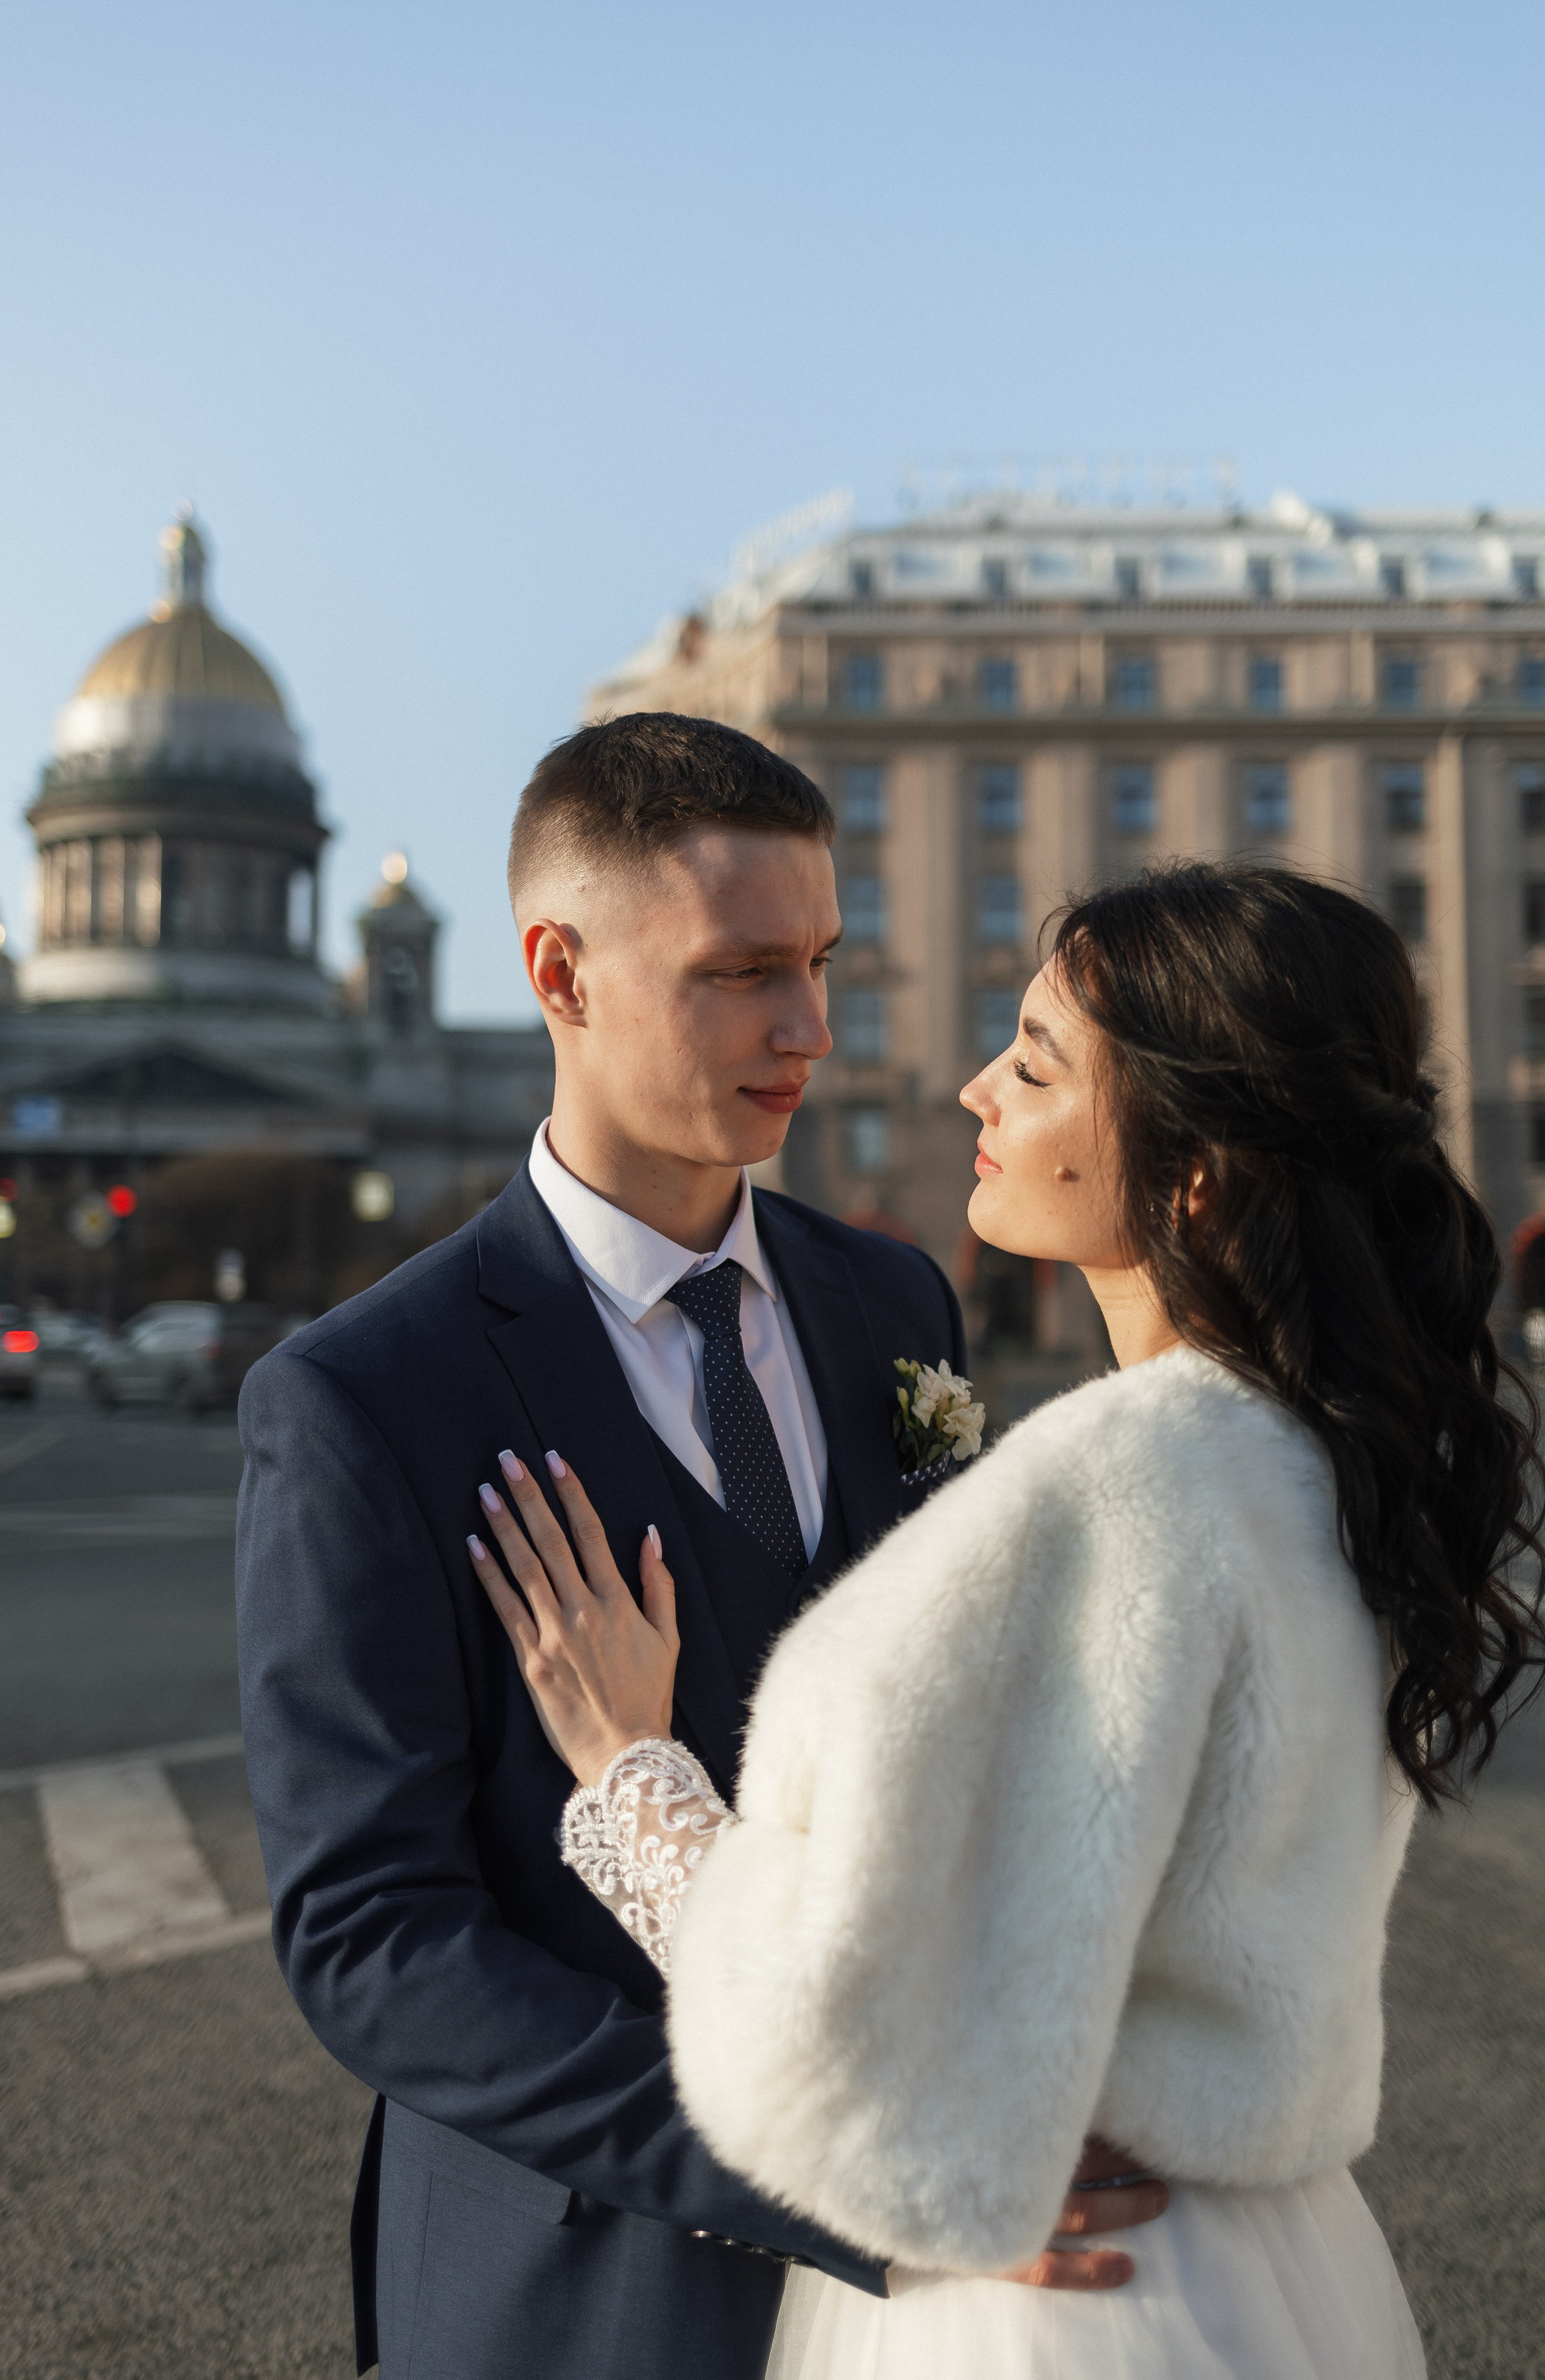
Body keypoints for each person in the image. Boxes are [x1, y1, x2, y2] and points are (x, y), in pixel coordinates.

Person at [473, 859, 1545, 2380]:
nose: (976, 1089)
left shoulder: (1112, 1495)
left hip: (1062, 2290)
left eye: (1035, 1067)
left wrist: (628, 1770)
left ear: (1194, 1175)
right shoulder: (1328, 1457)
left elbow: (830, 2022)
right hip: (1274, 2254)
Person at [235, 713, 1165, 2380]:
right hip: (578, 2292)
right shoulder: (363, 1399)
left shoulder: (894, 1301)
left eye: (819, 961)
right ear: (560, 973)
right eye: (741, 974)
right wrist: (837, 2162)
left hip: (942, 2278)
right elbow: (376, 1940)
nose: (809, 1027)